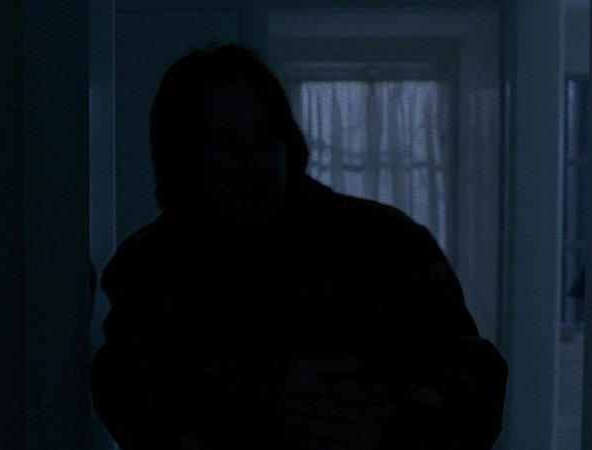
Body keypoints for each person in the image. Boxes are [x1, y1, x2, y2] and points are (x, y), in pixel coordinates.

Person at [91, 45, 507, 450]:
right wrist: (262, 402)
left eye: (267, 136)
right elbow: (128, 394)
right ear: (185, 157)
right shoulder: (152, 267)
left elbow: (476, 381)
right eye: (225, 142)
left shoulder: (385, 244)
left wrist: (389, 416)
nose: (256, 162)